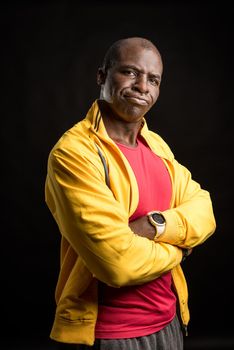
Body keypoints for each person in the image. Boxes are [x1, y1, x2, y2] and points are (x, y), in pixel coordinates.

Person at [45, 37, 216, 350]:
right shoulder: (74, 153)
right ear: (102, 76)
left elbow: (204, 210)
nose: (142, 87)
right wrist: (181, 250)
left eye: (153, 79)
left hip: (171, 320)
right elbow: (117, 264)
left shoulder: (158, 147)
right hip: (109, 334)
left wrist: (155, 226)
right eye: (130, 73)